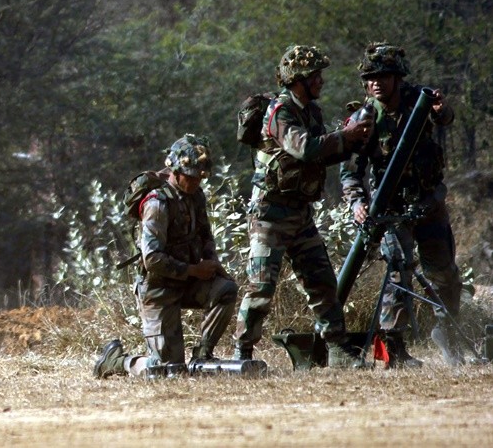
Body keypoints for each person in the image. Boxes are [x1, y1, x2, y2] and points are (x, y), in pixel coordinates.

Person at [232, 44, 371, 368]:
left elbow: (322, 154)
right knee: (261, 287)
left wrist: (354, 140)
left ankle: (337, 350)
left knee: (322, 281)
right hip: (270, 215)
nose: (321, 81)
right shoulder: (280, 112)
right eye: (315, 75)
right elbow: (306, 149)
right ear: (298, 80)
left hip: (300, 213)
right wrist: (345, 135)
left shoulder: (311, 112)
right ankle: (242, 355)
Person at [340, 42, 463, 366]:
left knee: (444, 274)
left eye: (383, 76)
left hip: (428, 203)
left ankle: (450, 336)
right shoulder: (364, 118)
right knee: (398, 273)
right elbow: (350, 171)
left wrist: (441, 110)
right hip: (391, 211)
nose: (376, 83)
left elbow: (445, 118)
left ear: (397, 77)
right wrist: (357, 203)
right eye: (370, 78)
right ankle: (395, 350)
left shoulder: (419, 101)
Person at [94, 135, 239, 378]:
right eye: (190, 177)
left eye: (200, 177)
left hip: (188, 282)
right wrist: (194, 270)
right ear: (175, 171)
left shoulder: (196, 196)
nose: (195, 182)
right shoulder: (157, 203)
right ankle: (116, 361)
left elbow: (205, 236)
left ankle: (203, 355)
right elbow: (152, 259)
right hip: (158, 289)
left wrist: (212, 264)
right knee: (165, 370)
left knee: (226, 289)